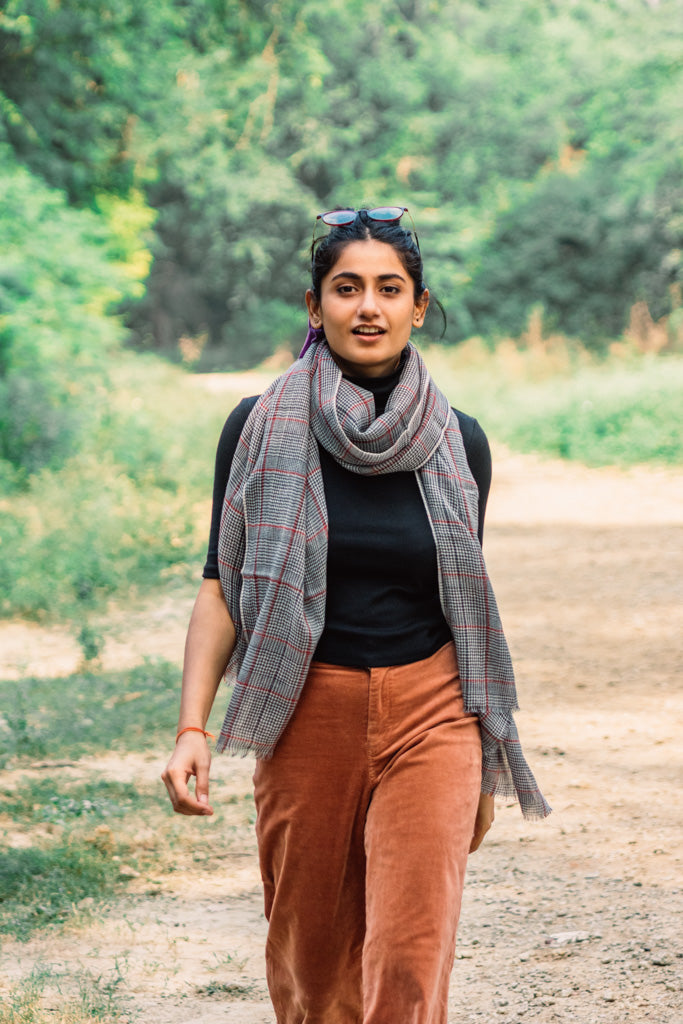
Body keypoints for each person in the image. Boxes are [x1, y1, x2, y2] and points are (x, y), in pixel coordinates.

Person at [162, 206, 550, 1024]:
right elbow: (219, 588)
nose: (366, 306)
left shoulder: (460, 442)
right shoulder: (257, 428)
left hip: (432, 711)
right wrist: (192, 727)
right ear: (315, 308)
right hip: (306, 711)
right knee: (314, 966)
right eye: (346, 288)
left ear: (417, 306)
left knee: (409, 956)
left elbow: (460, 602)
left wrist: (480, 755)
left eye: (387, 288)